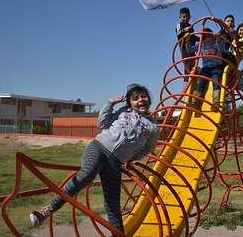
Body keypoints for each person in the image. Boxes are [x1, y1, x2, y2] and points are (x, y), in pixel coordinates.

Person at [29, 84, 160, 234]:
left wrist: (130, 158)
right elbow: (102, 123)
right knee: (88, 173)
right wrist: (110, 103)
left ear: (149, 100)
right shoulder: (123, 112)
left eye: (143, 96)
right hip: (99, 147)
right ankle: (46, 210)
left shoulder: (153, 127)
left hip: (116, 162)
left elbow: (147, 148)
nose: (140, 100)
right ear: (129, 103)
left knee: (113, 205)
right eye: (135, 98)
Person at [186, 28, 227, 111]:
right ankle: (195, 102)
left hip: (216, 66)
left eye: (209, 36)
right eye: (205, 36)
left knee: (215, 81)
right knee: (200, 82)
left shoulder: (216, 43)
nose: (207, 38)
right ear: (203, 37)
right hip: (206, 67)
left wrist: (219, 40)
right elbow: (189, 49)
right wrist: (187, 40)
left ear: (212, 36)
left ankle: (216, 102)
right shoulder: (201, 44)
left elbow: (223, 50)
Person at [175, 7, 198, 81]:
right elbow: (178, 33)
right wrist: (185, 30)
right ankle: (186, 81)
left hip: (191, 48)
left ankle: (192, 81)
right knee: (187, 65)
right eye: (184, 17)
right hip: (184, 49)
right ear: (180, 17)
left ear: (190, 17)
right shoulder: (179, 25)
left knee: (193, 65)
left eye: (187, 17)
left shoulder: (191, 27)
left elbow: (193, 36)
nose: (185, 18)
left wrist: (201, 38)